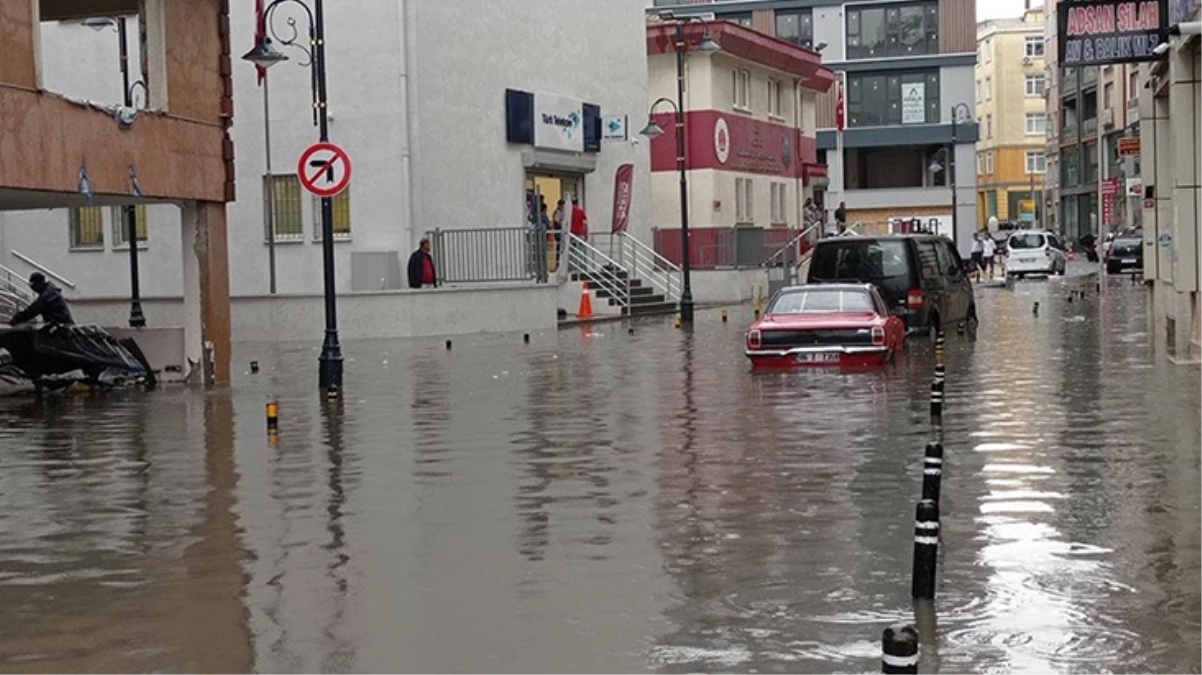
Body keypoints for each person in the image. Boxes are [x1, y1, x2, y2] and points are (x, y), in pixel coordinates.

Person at [8, 273, 74, 326]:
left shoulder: (47, 296)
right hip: (62, 324)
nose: (32, 288)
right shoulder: (50, 291)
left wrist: (17, 319)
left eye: (33, 285)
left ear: (40, 283)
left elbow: (33, 310)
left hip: (63, 326)